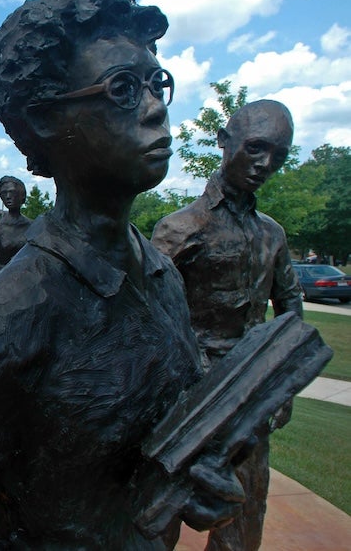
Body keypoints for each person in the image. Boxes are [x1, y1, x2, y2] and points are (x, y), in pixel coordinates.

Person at [0, 0, 243, 549]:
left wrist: (199, 480)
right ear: (45, 119)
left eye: (157, 84)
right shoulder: (1, 322)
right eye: (123, 88)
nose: (154, 109)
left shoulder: (164, 277)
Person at [152, 99, 302, 551]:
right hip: (184, 393)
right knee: (159, 512)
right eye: (255, 148)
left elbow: (290, 302)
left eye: (278, 155)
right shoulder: (180, 228)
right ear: (223, 142)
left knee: (245, 510)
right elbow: (146, 316)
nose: (265, 164)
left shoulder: (272, 233)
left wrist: (285, 380)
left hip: (251, 391)